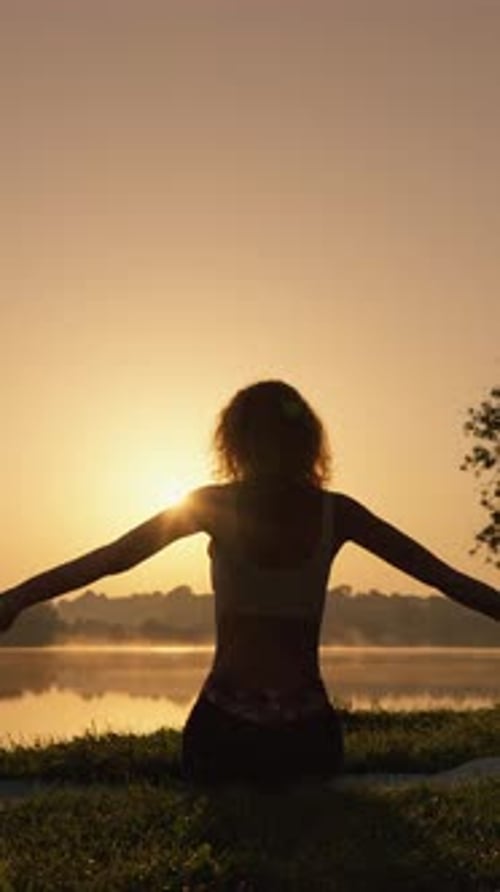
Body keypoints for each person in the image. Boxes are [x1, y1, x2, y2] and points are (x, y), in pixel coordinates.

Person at [0, 380, 498, 785]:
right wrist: (18, 597)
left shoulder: (232, 506)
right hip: (294, 737)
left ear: (234, 443)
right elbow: (446, 579)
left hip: (235, 735)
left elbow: (112, 559)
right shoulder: (333, 513)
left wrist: (19, 597)